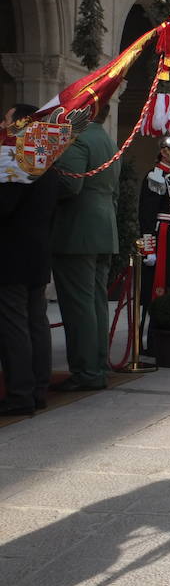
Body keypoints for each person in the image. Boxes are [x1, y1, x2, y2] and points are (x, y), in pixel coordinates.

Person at [50, 103, 120, 392]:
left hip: (77, 229)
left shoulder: (77, 138)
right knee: (95, 303)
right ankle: (98, 366)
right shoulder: (106, 139)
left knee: (78, 306)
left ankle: (86, 371)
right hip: (103, 228)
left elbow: (70, 186)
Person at [0, 104, 57, 415]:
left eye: (6, 119)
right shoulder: (45, 158)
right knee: (36, 322)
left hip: (13, 255)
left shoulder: (15, 158)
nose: (2, 123)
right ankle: (37, 390)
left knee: (14, 326)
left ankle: (20, 394)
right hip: (37, 252)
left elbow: (4, 207)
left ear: (19, 124)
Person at [138, 135, 170, 351]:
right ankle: (150, 341)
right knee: (156, 290)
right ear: (164, 152)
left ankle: (164, 335)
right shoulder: (156, 175)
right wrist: (149, 248)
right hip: (161, 238)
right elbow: (147, 214)